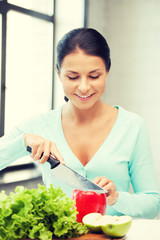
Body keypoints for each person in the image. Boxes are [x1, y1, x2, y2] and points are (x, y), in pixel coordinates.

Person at [0, 28, 160, 218]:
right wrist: (23, 142)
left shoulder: (133, 126)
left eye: (94, 76)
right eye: (73, 77)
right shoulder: (39, 125)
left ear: (107, 70)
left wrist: (117, 198)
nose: (84, 87)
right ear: (58, 73)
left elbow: (152, 204)